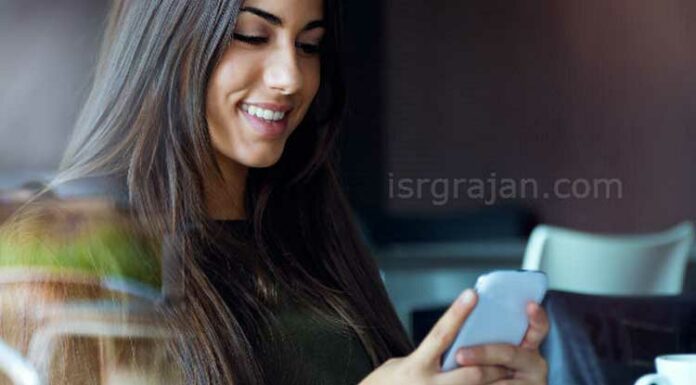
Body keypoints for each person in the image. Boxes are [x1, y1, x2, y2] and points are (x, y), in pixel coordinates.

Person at [6, 0, 550, 384]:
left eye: (310, 45)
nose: (291, 77)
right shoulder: (65, 252)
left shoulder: (311, 229)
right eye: (252, 35)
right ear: (166, 43)